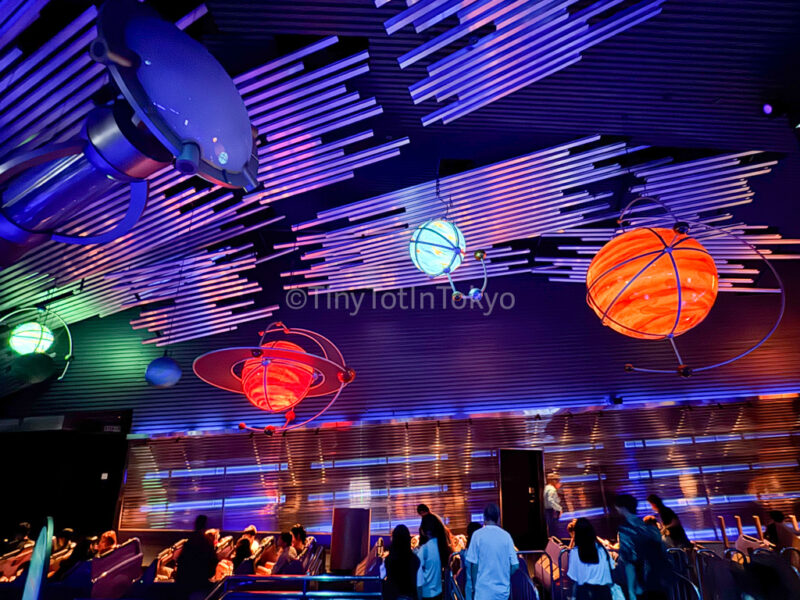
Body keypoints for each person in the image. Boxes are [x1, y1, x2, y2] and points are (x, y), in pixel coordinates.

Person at [613, 494, 672, 600]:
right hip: (658, 579)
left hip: (641, 582)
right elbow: (663, 552)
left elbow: (629, 562)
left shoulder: (626, 530)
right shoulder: (651, 529)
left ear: (622, 508)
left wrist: (631, 590)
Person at [464, 503, 519, 600]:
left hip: (482, 591)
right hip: (502, 591)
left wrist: (474, 587)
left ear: (484, 518)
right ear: (498, 518)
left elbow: (474, 565)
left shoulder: (477, 535)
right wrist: (504, 574)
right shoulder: (506, 536)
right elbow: (515, 565)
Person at [567, 518, 614, 600]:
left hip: (585, 594)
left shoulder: (575, 553)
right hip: (604, 593)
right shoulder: (602, 550)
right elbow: (612, 568)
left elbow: (574, 578)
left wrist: (573, 596)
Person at [175, 515, 218, 600]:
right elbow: (213, 561)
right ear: (206, 526)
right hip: (200, 582)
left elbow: (181, 560)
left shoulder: (191, 540)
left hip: (187, 582)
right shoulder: (207, 542)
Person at [416, 513, 451, 600]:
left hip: (426, 593)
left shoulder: (424, 549)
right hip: (439, 592)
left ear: (423, 530)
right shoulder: (442, 547)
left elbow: (418, 576)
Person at [381, 524, 420, 600]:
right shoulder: (415, 559)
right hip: (410, 596)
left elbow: (382, 576)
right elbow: (419, 582)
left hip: (392, 596)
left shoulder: (389, 559)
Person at [544, 473, 564, 538]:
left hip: (548, 511)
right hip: (551, 511)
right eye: (558, 481)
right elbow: (550, 501)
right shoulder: (551, 489)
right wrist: (559, 509)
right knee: (553, 529)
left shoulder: (547, 487)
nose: (560, 483)